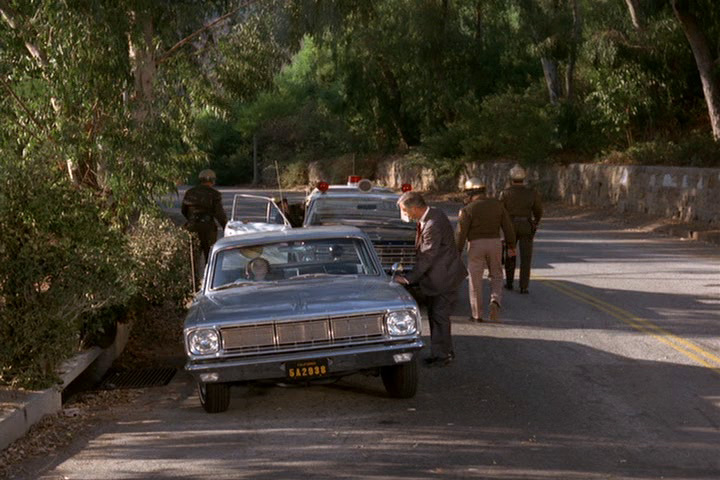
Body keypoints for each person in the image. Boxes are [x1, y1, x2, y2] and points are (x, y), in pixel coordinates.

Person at [394, 191, 467, 367]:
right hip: (442, 275)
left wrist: (408, 279)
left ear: (415, 208)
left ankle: (442, 356)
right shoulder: (434, 214)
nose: (405, 214)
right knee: (436, 315)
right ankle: (443, 351)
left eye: (405, 210)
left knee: (439, 316)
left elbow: (428, 256)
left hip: (443, 277)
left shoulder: (432, 224)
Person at [456, 178, 516, 323]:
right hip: (495, 243)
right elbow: (508, 227)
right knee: (496, 275)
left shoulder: (467, 209)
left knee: (475, 278)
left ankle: (477, 314)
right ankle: (495, 300)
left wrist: (457, 251)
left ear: (470, 193)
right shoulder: (498, 205)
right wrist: (511, 246)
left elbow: (461, 233)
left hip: (475, 244)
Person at [500, 164, 543, 294]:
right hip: (526, 225)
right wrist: (535, 222)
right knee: (526, 257)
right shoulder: (532, 193)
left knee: (510, 254)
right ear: (524, 178)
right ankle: (524, 286)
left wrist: (501, 227)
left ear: (511, 178)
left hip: (510, 226)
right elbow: (538, 210)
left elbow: (500, 211)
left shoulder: (505, 193)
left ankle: (509, 282)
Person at [182, 169, 227, 264]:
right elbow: (219, 214)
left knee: (192, 256)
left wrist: (192, 220)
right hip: (208, 228)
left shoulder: (190, 192)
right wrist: (226, 227)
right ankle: (208, 272)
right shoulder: (214, 194)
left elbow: (184, 210)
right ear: (212, 180)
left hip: (192, 226)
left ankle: (193, 273)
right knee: (210, 256)